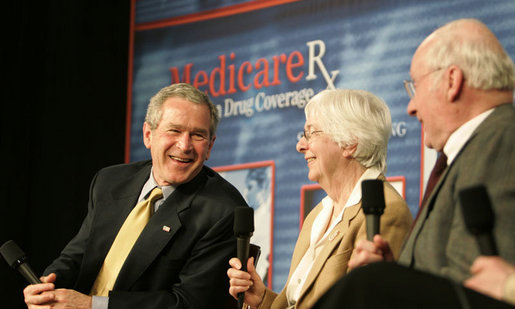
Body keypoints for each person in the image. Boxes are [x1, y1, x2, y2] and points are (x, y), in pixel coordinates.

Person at [322, 18, 515, 307]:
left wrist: (386, 286)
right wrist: (398, 274)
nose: (411, 108)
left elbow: (478, 283)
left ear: (452, 81)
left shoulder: (502, 140)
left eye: (415, 87)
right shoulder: (476, 147)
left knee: (364, 286)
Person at [23, 83, 248, 309]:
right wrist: (48, 286)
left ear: (210, 146)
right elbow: (77, 255)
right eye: (174, 130)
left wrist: (91, 306)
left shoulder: (223, 210)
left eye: (198, 135)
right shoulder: (111, 181)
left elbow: (188, 303)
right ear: (148, 135)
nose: (185, 145)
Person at [227, 89, 413, 309]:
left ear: (349, 143)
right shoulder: (319, 214)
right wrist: (262, 300)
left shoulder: (384, 211)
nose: (300, 145)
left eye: (311, 133)